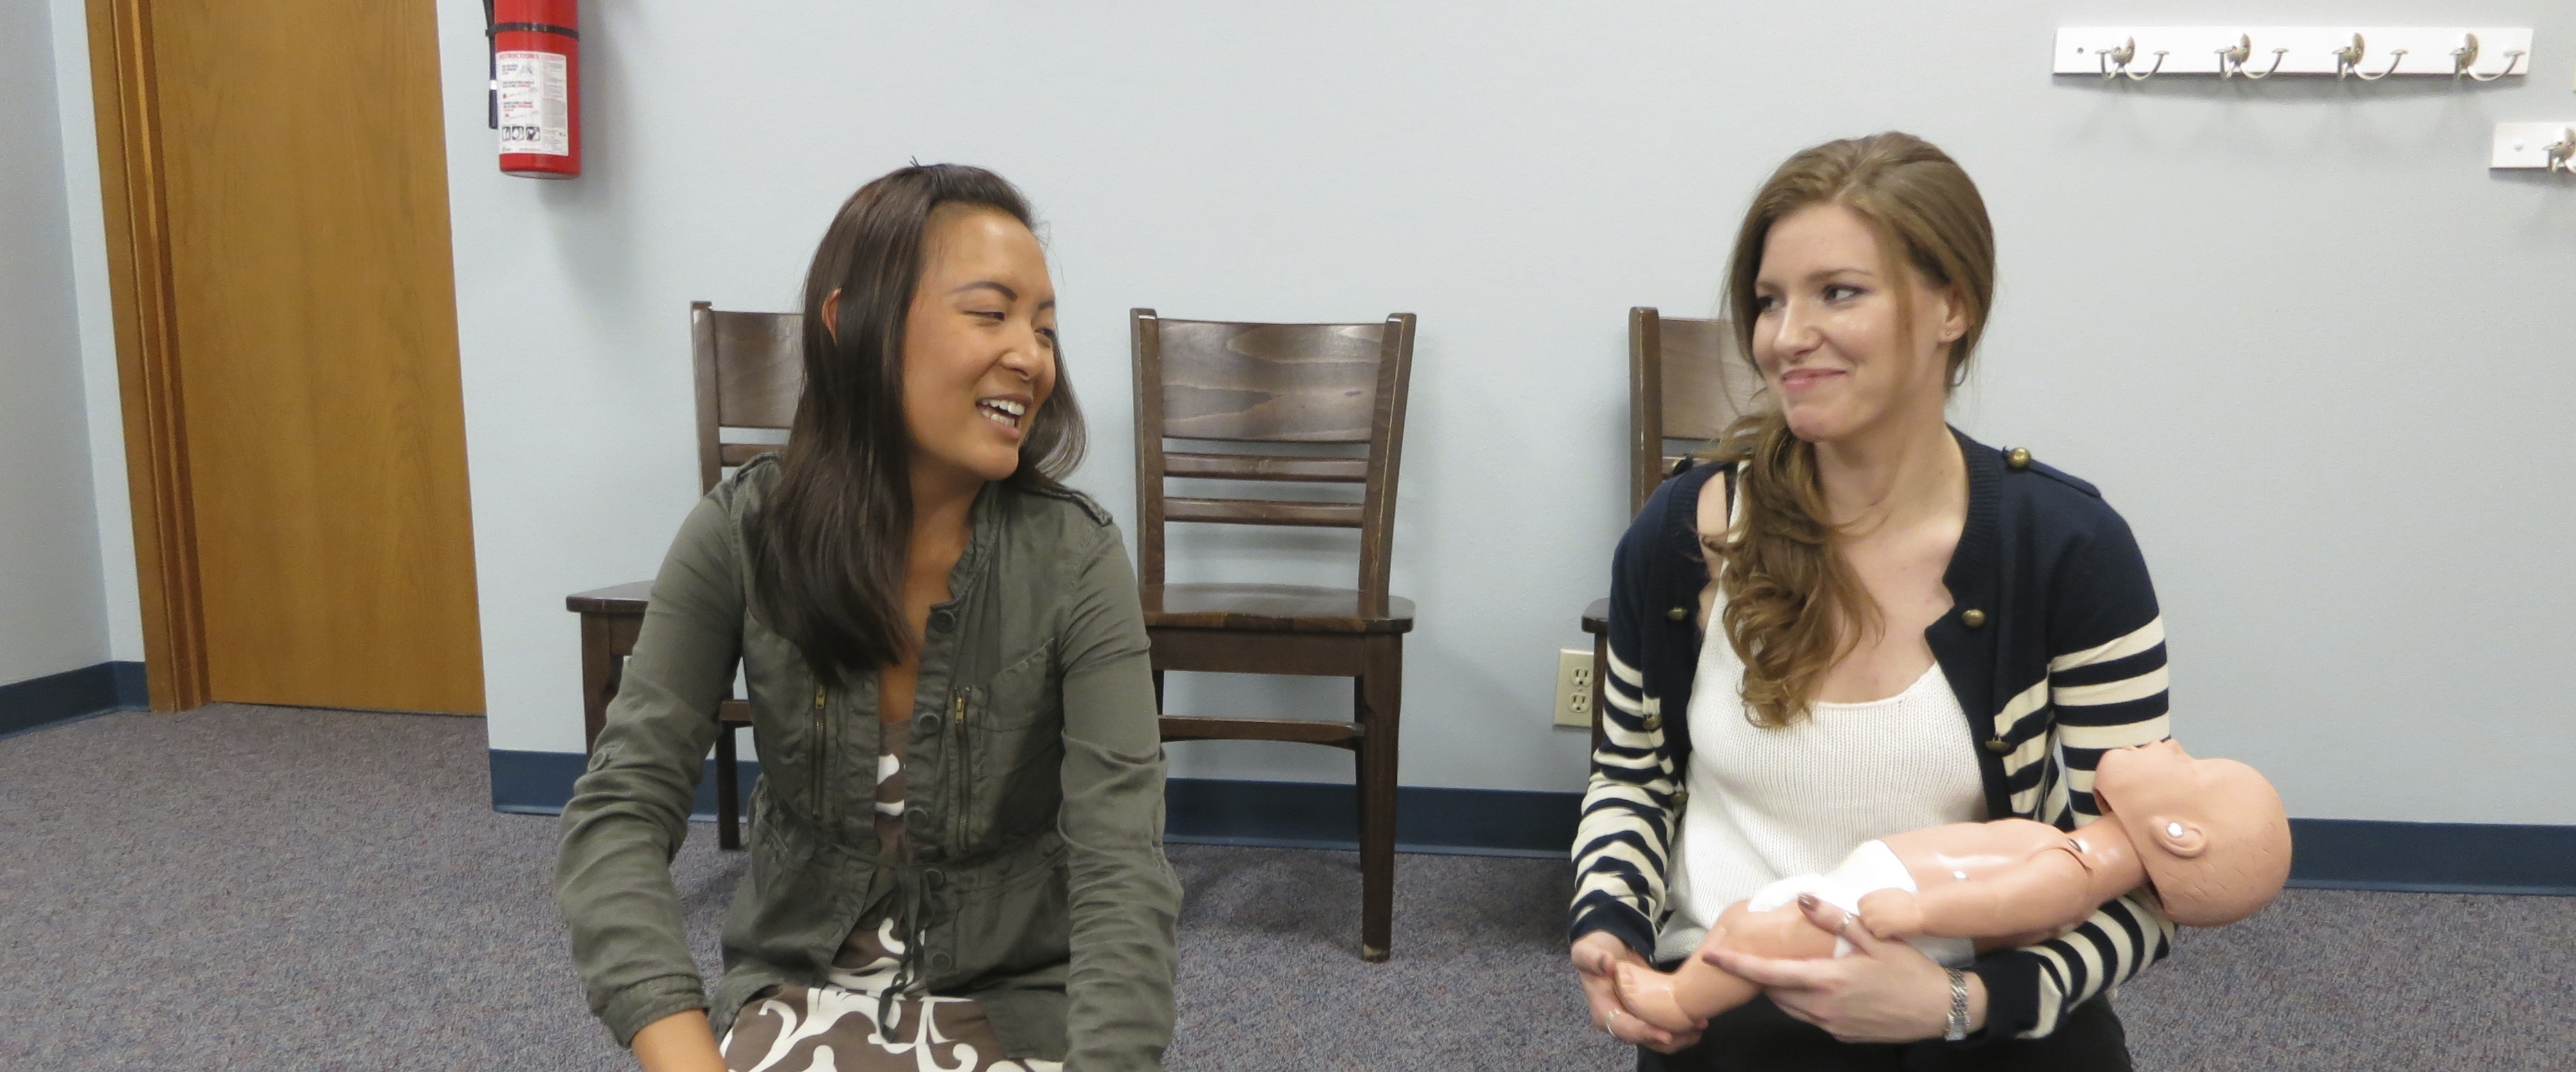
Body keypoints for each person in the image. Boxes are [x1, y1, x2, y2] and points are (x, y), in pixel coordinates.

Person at [1569, 132, 2175, 1069]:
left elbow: (2141, 875)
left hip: (1985, 1018)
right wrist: (1609, 923)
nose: (1785, 336)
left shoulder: (2066, 548)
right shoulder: (1684, 533)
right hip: (1736, 1021)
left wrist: (1959, 1002)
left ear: (1951, 306)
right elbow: (1632, 780)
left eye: (1838, 292)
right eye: (1769, 301)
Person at [556, 164, 1180, 1072]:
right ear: (852, 326)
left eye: (1044, 328)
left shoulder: (1076, 559)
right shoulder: (742, 533)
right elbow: (619, 811)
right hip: (796, 991)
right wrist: (683, 1049)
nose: (1032, 356)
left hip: (1014, 1004)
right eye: (990, 312)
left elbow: (1123, 868)